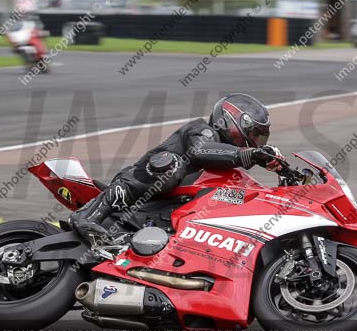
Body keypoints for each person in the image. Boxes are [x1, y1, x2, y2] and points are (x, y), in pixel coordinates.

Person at [70, 93, 286, 240]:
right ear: (233, 121)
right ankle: (88, 217)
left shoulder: (224, 163)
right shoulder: (204, 131)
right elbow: (202, 151)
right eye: (254, 135)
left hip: (168, 203)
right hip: (141, 180)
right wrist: (251, 154)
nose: (256, 142)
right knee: (171, 167)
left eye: (260, 139)